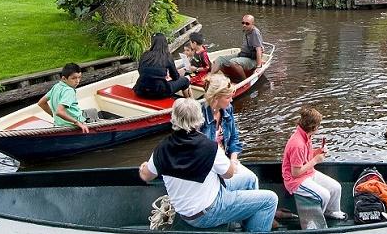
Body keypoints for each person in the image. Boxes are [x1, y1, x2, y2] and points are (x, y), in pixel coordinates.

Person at [139, 98, 278, 232]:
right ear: (199, 119)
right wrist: (224, 157)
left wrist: (144, 167)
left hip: (188, 211)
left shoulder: (162, 148)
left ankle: (250, 218)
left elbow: (146, 176)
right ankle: (256, 226)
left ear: (174, 118)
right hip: (208, 213)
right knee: (271, 199)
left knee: (250, 179)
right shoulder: (209, 147)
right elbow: (229, 174)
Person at [282, 107, 346, 220]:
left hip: (308, 173)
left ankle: (331, 212)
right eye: (318, 126)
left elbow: (305, 156)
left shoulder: (306, 136)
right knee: (324, 195)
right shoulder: (298, 144)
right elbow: (295, 173)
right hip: (295, 181)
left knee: (336, 187)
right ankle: (316, 219)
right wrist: (316, 160)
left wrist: (317, 152)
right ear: (313, 127)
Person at [200, 73, 259, 191]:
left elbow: (234, 138)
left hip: (226, 161)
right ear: (216, 98)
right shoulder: (198, 117)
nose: (231, 100)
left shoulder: (227, 109)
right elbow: (198, 152)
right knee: (250, 180)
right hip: (208, 167)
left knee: (252, 178)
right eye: (227, 97)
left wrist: (233, 160)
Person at [134, 33, 191, 99]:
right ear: (165, 43)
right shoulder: (167, 56)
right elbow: (175, 77)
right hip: (159, 92)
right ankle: (189, 102)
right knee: (185, 80)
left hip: (140, 90)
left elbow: (141, 71)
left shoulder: (145, 55)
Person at [36, 63, 89, 133]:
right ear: (64, 78)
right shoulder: (69, 91)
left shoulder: (56, 86)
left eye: (79, 77)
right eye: (73, 78)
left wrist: (53, 115)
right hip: (72, 127)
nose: (77, 81)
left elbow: (41, 103)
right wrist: (77, 122)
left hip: (58, 125)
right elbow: (59, 112)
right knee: (92, 112)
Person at [211, 14, 264, 82]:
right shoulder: (246, 30)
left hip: (252, 59)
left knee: (233, 62)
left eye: (247, 23)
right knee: (219, 59)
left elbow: (258, 50)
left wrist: (259, 66)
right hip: (243, 54)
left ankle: (244, 80)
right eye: (243, 23)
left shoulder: (255, 33)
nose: (244, 25)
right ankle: (210, 78)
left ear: (253, 24)